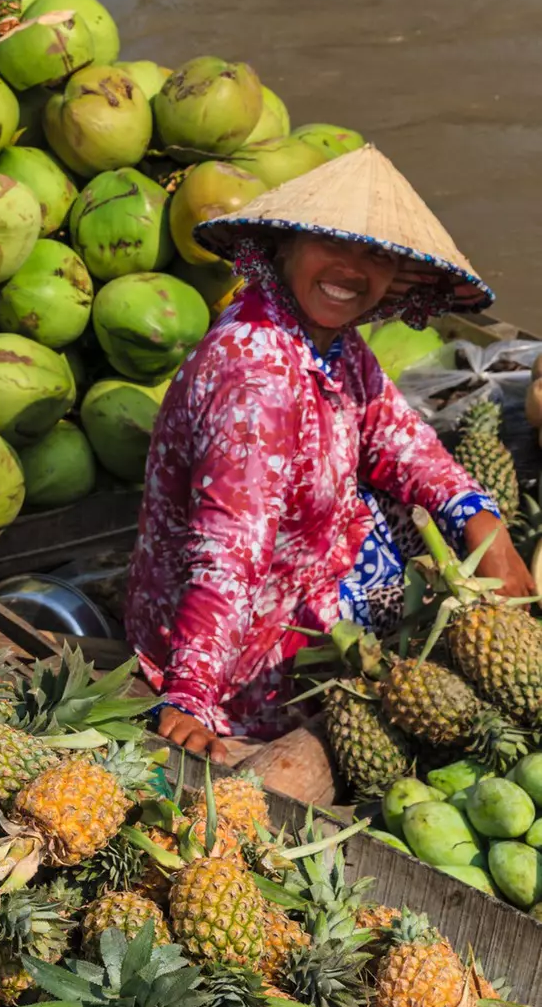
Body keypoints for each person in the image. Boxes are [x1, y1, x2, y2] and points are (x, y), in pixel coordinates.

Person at [127, 145, 536, 763]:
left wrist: (489, 534)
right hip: (237, 642)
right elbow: (229, 553)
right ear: (284, 245)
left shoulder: (330, 340)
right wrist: (189, 696)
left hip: (308, 573)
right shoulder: (255, 377)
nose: (353, 269)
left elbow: (400, 439)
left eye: (376, 255)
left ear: (397, 274)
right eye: (332, 245)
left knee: (425, 509)